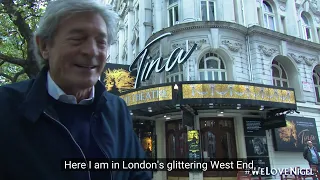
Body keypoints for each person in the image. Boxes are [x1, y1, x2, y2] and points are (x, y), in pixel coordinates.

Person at [0, 0, 152, 179]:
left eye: (101, 42)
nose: (91, 51)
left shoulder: (117, 109)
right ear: (44, 46)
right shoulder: (5, 107)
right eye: (77, 39)